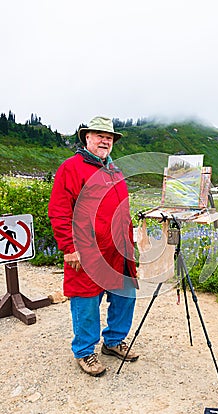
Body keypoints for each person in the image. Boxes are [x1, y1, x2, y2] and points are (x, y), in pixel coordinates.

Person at [48, 116, 139, 377]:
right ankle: (85, 351)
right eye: (99, 135)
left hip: (118, 250)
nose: (105, 140)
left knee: (125, 296)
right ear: (86, 138)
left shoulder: (115, 170)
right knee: (86, 300)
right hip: (87, 251)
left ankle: (113, 341)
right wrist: (68, 247)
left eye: (109, 137)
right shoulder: (71, 168)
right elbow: (59, 211)